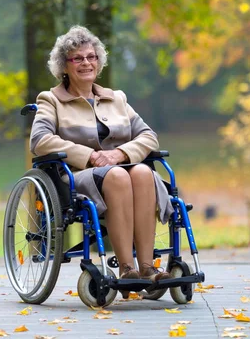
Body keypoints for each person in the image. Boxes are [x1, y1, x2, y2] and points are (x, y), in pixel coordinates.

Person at [30, 25, 174, 297]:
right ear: (65, 66)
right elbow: (39, 141)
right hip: (76, 176)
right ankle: (126, 268)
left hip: (123, 169)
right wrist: (90, 155)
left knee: (143, 173)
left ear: (99, 61)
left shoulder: (116, 98)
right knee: (118, 176)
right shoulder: (51, 100)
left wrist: (120, 154)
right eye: (78, 58)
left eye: (91, 56)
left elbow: (148, 136)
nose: (86, 63)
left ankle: (147, 267)